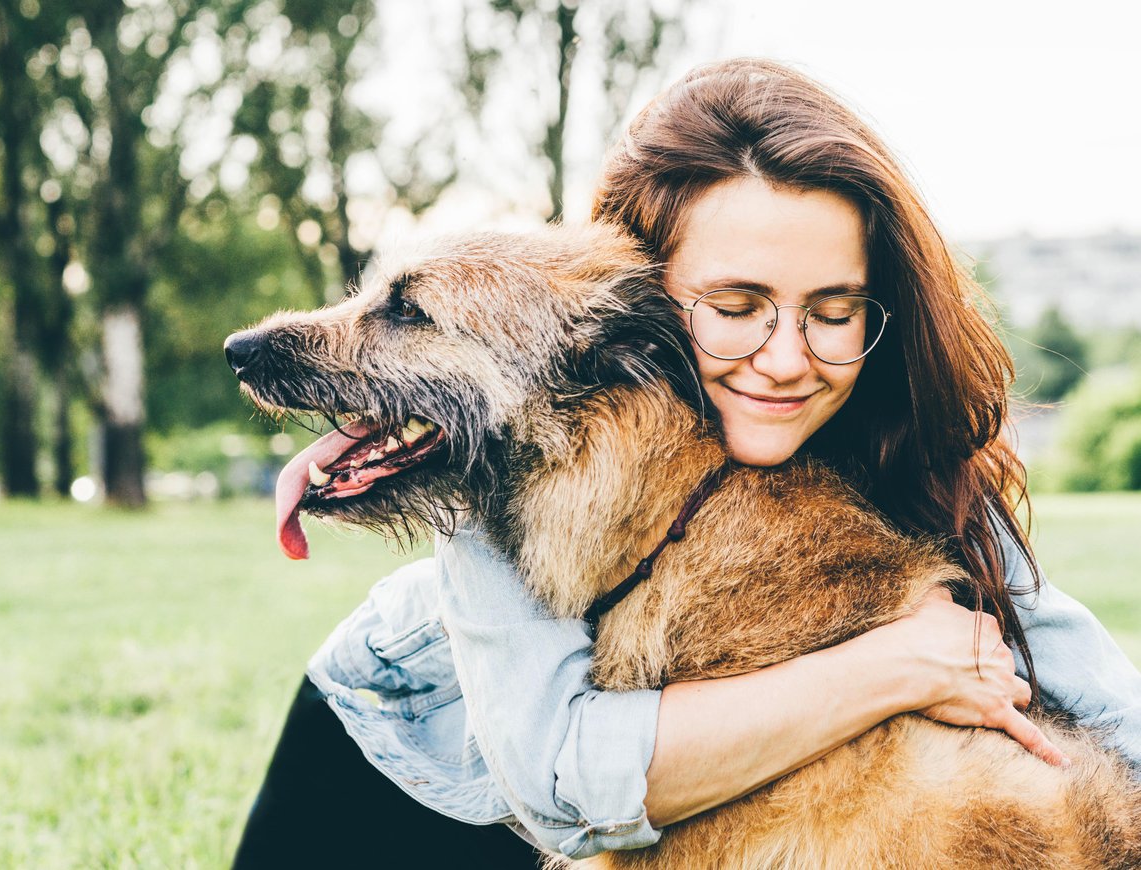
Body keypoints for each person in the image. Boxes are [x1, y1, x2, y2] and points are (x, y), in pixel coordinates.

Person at [232, 59, 1141, 868]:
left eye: (834, 311)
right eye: (736, 306)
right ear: (646, 302)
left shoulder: (894, 433)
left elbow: (1093, 688)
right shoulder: (522, 445)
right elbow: (562, 784)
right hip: (410, 758)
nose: (785, 360)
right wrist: (897, 664)